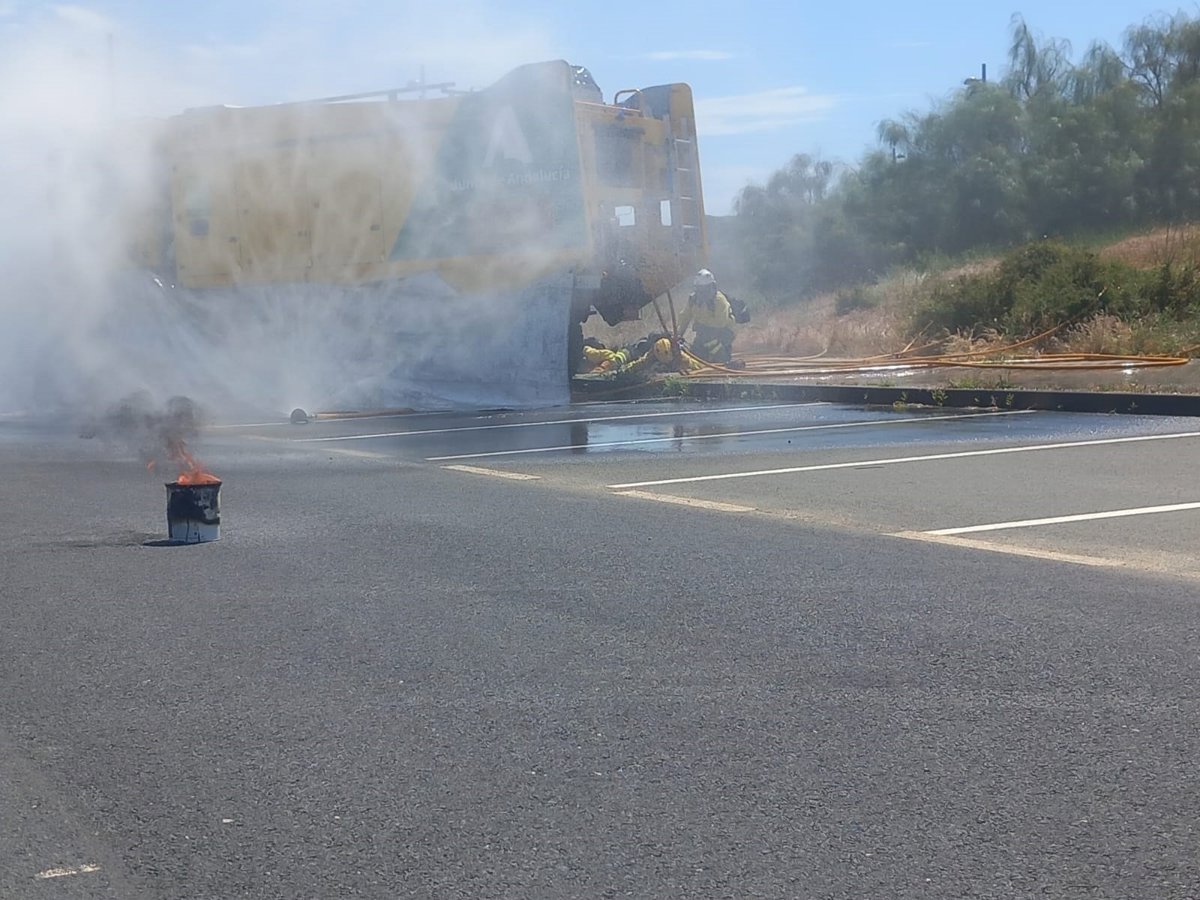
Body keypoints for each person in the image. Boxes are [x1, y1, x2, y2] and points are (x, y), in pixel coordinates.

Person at [676, 269, 738, 364]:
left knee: (718, 358)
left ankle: (722, 357)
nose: (702, 293)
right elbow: (685, 317)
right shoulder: (693, 300)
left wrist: (701, 325)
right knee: (695, 358)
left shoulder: (719, 300)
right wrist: (678, 335)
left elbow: (720, 323)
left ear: (712, 287)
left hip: (724, 333)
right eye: (700, 289)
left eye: (705, 289)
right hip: (704, 335)